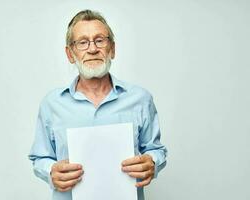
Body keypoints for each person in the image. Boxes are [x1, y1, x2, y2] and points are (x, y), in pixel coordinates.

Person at [28, 9, 167, 200]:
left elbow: (155, 149)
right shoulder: (52, 104)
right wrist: (51, 171)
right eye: (83, 42)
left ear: (113, 49)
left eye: (100, 40)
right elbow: (39, 158)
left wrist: (152, 162)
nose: (92, 49)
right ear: (70, 53)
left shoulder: (140, 99)